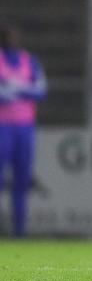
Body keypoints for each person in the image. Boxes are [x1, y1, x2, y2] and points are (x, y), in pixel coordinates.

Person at [0, 23, 48, 237]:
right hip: (2, 126)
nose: (12, 40)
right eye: (8, 36)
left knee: (22, 178)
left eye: (15, 36)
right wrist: (19, 90)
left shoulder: (29, 61)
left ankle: (19, 229)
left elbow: (41, 90)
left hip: (24, 126)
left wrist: (14, 89)